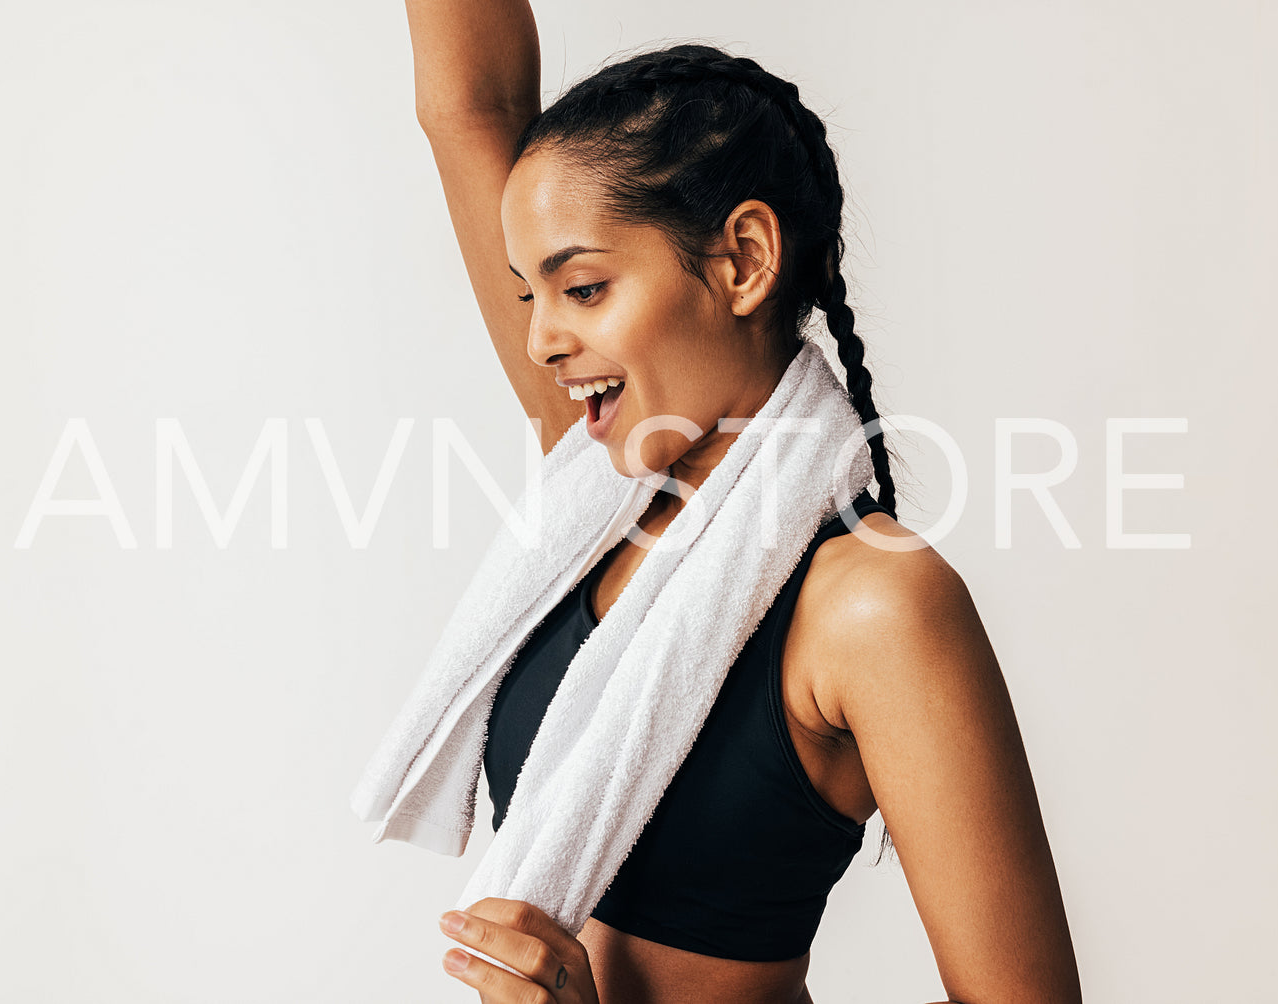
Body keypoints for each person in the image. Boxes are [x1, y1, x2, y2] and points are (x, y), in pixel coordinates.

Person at [404, 2, 1083, 1001]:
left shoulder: (873, 608)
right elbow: (471, 103)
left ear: (742, 262)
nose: (542, 340)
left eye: (581, 288)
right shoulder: (601, 487)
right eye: (525, 296)